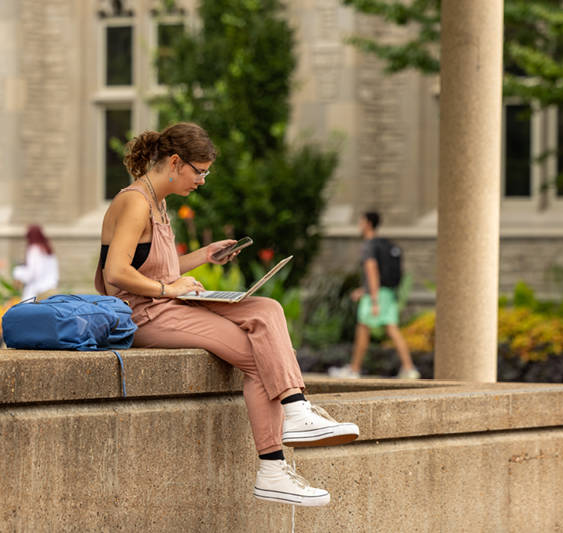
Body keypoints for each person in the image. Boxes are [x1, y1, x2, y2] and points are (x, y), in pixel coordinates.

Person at [95, 122, 359, 507]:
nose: (202, 181)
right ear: (174, 162)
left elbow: (154, 265)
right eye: (199, 171)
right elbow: (116, 273)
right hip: (143, 314)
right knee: (257, 357)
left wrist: (205, 257)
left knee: (267, 308)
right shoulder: (135, 201)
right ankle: (272, 468)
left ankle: (297, 409)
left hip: (167, 301)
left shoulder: (158, 201)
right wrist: (172, 289)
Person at [328, 212, 421, 380]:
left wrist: (373, 299)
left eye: (361, 220)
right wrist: (363, 290)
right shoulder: (383, 244)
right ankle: (409, 368)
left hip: (376, 295)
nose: (359, 224)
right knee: (392, 329)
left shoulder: (369, 246)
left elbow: (372, 272)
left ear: (369, 223)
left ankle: (354, 370)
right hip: (388, 293)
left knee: (363, 328)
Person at [12, 225, 60, 301]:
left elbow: (31, 273)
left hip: (39, 292)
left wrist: (18, 272)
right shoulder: (48, 250)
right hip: (52, 290)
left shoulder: (34, 249)